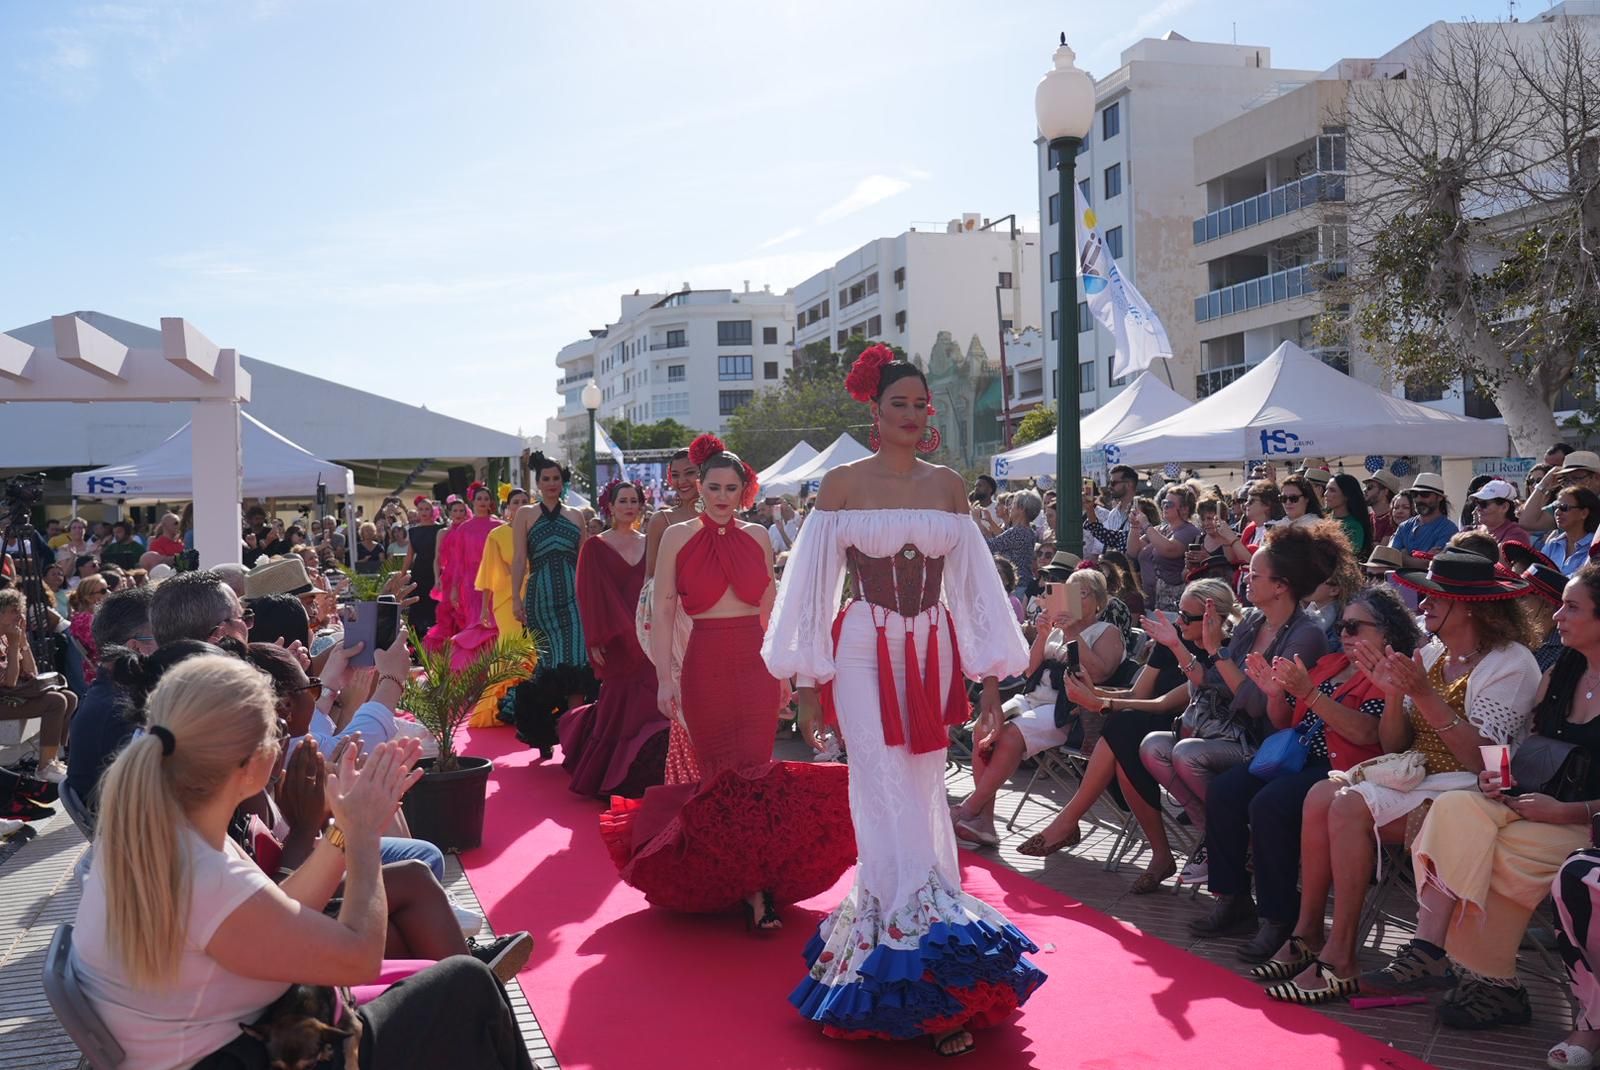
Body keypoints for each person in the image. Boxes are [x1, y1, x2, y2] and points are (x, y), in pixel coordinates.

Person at [763, 346, 1043, 1057]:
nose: (915, 416)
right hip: (862, 647)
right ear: (873, 411)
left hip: (933, 647)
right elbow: (811, 591)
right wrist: (805, 691)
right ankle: (902, 944)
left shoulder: (949, 486)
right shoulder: (841, 484)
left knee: (922, 788)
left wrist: (988, 692)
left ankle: (924, 941)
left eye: (922, 405)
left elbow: (976, 597)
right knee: (880, 786)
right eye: (901, 405)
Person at [70, 654, 538, 1070]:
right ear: (253, 763)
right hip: (254, 1052)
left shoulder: (154, 829)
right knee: (468, 984)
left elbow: (274, 908)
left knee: (454, 983)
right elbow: (358, 957)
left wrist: (342, 828)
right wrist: (360, 834)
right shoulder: (201, 869)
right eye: (273, 730)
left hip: (223, 1042)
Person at [1265, 548, 1541, 1004]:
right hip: (1418, 779)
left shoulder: (1510, 663)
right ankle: (1309, 932)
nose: (1423, 605)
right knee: (1319, 793)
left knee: (1345, 803)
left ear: (1467, 605)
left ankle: (1341, 955)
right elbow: (1395, 745)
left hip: (1472, 795)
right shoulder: (1432, 651)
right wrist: (1396, 696)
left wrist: (1422, 693)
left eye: (1434, 596)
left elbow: (1487, 763)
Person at [604, 434, 853, 933]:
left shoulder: (759, 537)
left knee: (757, 774)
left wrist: (782, 675)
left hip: (755, 667)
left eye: (730, 488)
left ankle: (757, 888)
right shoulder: (676, 536)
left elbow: (769, 612)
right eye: (712, 486)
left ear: (744, 492)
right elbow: (665, 611)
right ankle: (739, 885)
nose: (720, 496)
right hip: (704, 665)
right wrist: (663, 680)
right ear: (699, 489)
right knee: (718, 777)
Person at [1379, 567, 1600, 1033]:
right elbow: (1521, 749)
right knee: (1456, 807)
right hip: (1531, 805)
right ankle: (1430, 948)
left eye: (1572, 607)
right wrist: (1498, 781)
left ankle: (1494, 983)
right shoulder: (1563, 670)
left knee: (1494, 859)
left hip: (1585, 825)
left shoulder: (1518, 661)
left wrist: (1571, 811)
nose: (1557, 615)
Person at [1210, 587, 1421, 965]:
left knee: (1270, 805)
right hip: (1297, 758)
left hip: (1346, 769)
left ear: (1386, 632)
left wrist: (1309, 694)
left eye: (1355, 627)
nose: (1344, 634)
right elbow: (1284, 722)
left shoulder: (1389, 675)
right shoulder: (1331, 664)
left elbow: (1369, 735)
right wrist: (1276, 695)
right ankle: (1233, 897)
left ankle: (1279, 918)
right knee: (1226, 790)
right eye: (1341, 625)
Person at [1143, 522, 1338, 900]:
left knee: (1186, 753)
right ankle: (1220, 833)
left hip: (1271, 746)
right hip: (1236, 734)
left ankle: (1229, 839)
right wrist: (1178, 646)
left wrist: (1217, 651)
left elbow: (1258, 702)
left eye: (1254, 574)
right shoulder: (1252, 621)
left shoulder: (1305, 634)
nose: (1245, 579)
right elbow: (1211, 681)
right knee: (1153, 746)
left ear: (1281, 585)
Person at [1029, 578, 1240, 889]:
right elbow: (1138, 694)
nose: (1178, 622)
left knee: (1125, 732)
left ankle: (1078, 823)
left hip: (1197, 731)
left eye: (1186, 617)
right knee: (1125, 738)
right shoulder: (1174, 640)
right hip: (1155, 726)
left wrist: (1100, 703)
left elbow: (1165, 703)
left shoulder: (1220, 653)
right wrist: (1096, 694)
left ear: (1215, 617)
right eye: (1178, 613)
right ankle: (1150, 851)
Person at [950, 567, 1125, 847]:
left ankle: (970, 809)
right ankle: (985, 820)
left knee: (1009, 735)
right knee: (984, 727)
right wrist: (1044, 635)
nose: (1075, 599)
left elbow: (1101, 672)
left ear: (1098, 600)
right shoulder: (1057, 630)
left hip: (1066, 708)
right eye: (1070, 592)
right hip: (1034, 699)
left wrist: (1071, 632)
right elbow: (1029, 671)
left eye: (1082, 593)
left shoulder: (1107, 631)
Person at [559, 480, 668, 798]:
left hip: (648, 634)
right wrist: (595, 639)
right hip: (615, 639)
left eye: (635, 500)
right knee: (619, 704)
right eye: (623, 500)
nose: (629, 506)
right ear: (610, 505)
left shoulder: (652, 543)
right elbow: (588, 595)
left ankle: (648, 773)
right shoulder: (594, 546)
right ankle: (611, 777)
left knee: (651, 706)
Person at [511, 454, 593, 758]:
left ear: (564, 481)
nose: (551, 484)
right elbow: (519, 559)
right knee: (548, 666)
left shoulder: (577, 516)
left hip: (575, 598)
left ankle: (575, 740)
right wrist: (516, 598)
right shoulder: (526, 515)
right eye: (545, 479)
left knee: (576, 663)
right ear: (537, 482)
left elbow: (585, 561)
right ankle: (543, 734)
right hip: (541, 598)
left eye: (556, 479)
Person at [0, 588, 80, 784]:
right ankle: (44, 766)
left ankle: (54, 757)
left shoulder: (9, 636)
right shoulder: (7, 639)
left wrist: (23, 643)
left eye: (20, 610)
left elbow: (32, 673)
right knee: (56, 701)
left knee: (70, 697)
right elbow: (9, 683)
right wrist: (12, 647)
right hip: (5, 698)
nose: (18, 616)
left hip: (13, 696)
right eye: (13, 611)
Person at [468, 486, 530, 729]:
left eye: (525, 500)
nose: (521, 505)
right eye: (516, 502)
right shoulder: (497, 535)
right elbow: (488, 576)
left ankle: (534, 706)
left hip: (537, 596)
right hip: (506, 600)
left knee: (536, 647)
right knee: (513, 646)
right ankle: (503, 705)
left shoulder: (537, 531)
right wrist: (484, 608)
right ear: (507, 508)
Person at [424, 483, 501, 652]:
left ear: (491, 502)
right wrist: (454, 589)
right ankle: (473, 665)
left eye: (486, 498)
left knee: (495, 622)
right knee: (474, 622)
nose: (482, 502)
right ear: (472, 501)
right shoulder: (464, 529)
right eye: (479, 498)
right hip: (471, 583)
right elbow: (458, 562)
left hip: (495, 582)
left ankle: (493, 664)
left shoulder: (499, 526)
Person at [1131, 484, 1201, 612]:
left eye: (1169, 504)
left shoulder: (1189, 531)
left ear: (1184, 509)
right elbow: (1133, 551)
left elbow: (1169, 549)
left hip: (1172, 604)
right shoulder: (1160, 529)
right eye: (1163, 503)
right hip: (1150, 602)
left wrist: (1146, 524)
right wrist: (1134, 527)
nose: (1164, 507)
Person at [1523, 450, 1600, 536]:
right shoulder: (1562, 506)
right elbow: (1527, 522)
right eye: (1566, 480)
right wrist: (1543, 484)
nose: (1570, 485)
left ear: (1597, 478)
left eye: (1576, 478)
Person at [1391, 473, 1459, 568]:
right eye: (1414, 494)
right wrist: (1422, 558)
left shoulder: (1449, 530)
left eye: (1425, 494)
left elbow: (1434, 565)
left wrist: (1403, 556)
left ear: (1440, 497)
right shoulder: (1404, 527)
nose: (1418, 499)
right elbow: (1390, 559)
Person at [986, 490, 1040, 599]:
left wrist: (974, 523)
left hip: (1017, 587)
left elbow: (989, 546)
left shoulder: (1017, 532)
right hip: (1023, 585)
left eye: (1013, 504)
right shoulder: (1028, 531)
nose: (1009, 507)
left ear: (1022, 509)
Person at [402, 497, 442, 637]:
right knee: (418, 606)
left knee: (435, 605)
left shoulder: (440, 529)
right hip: (419, 572)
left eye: (427, 509)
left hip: (436, 572)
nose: (424, 512)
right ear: (417, 512)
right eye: (421, 509)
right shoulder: (413, 531)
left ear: (433, 510)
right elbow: (409, 556)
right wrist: (402, 576)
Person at [1544, 486, 1600, 576]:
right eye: (1556, 507)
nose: (1557, 512)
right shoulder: (1552, 544)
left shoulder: (1596, 548)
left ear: (1584, 513)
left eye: (1564, 507)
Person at [69, 574, 111, 684]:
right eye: (103, 591)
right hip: (102, 672)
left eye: (108, 588)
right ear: (88, 597)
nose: (109, 593)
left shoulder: (89, 617)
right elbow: (100, 647)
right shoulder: (85, 619)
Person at [1323, 473, 1374, 560]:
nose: (1325, 494)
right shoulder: (1321, 518)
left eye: (1332, 490)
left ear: (1346, 495)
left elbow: (1347, 556)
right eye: (1326, 489)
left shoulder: (1354, 527)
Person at [1467, 478, 1532, 547]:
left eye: (1483, 504)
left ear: (1504, 507)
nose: (1478, 508)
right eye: (1477, 503)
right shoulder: (1476, 531)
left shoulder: (1517, 535)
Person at [1365, 470, 1403, 544]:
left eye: (1370, 487)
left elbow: (1381, 550)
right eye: (1366, 487)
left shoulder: (1394, 520)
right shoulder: (1368, 517)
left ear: (1385, 491)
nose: (1365, 490)